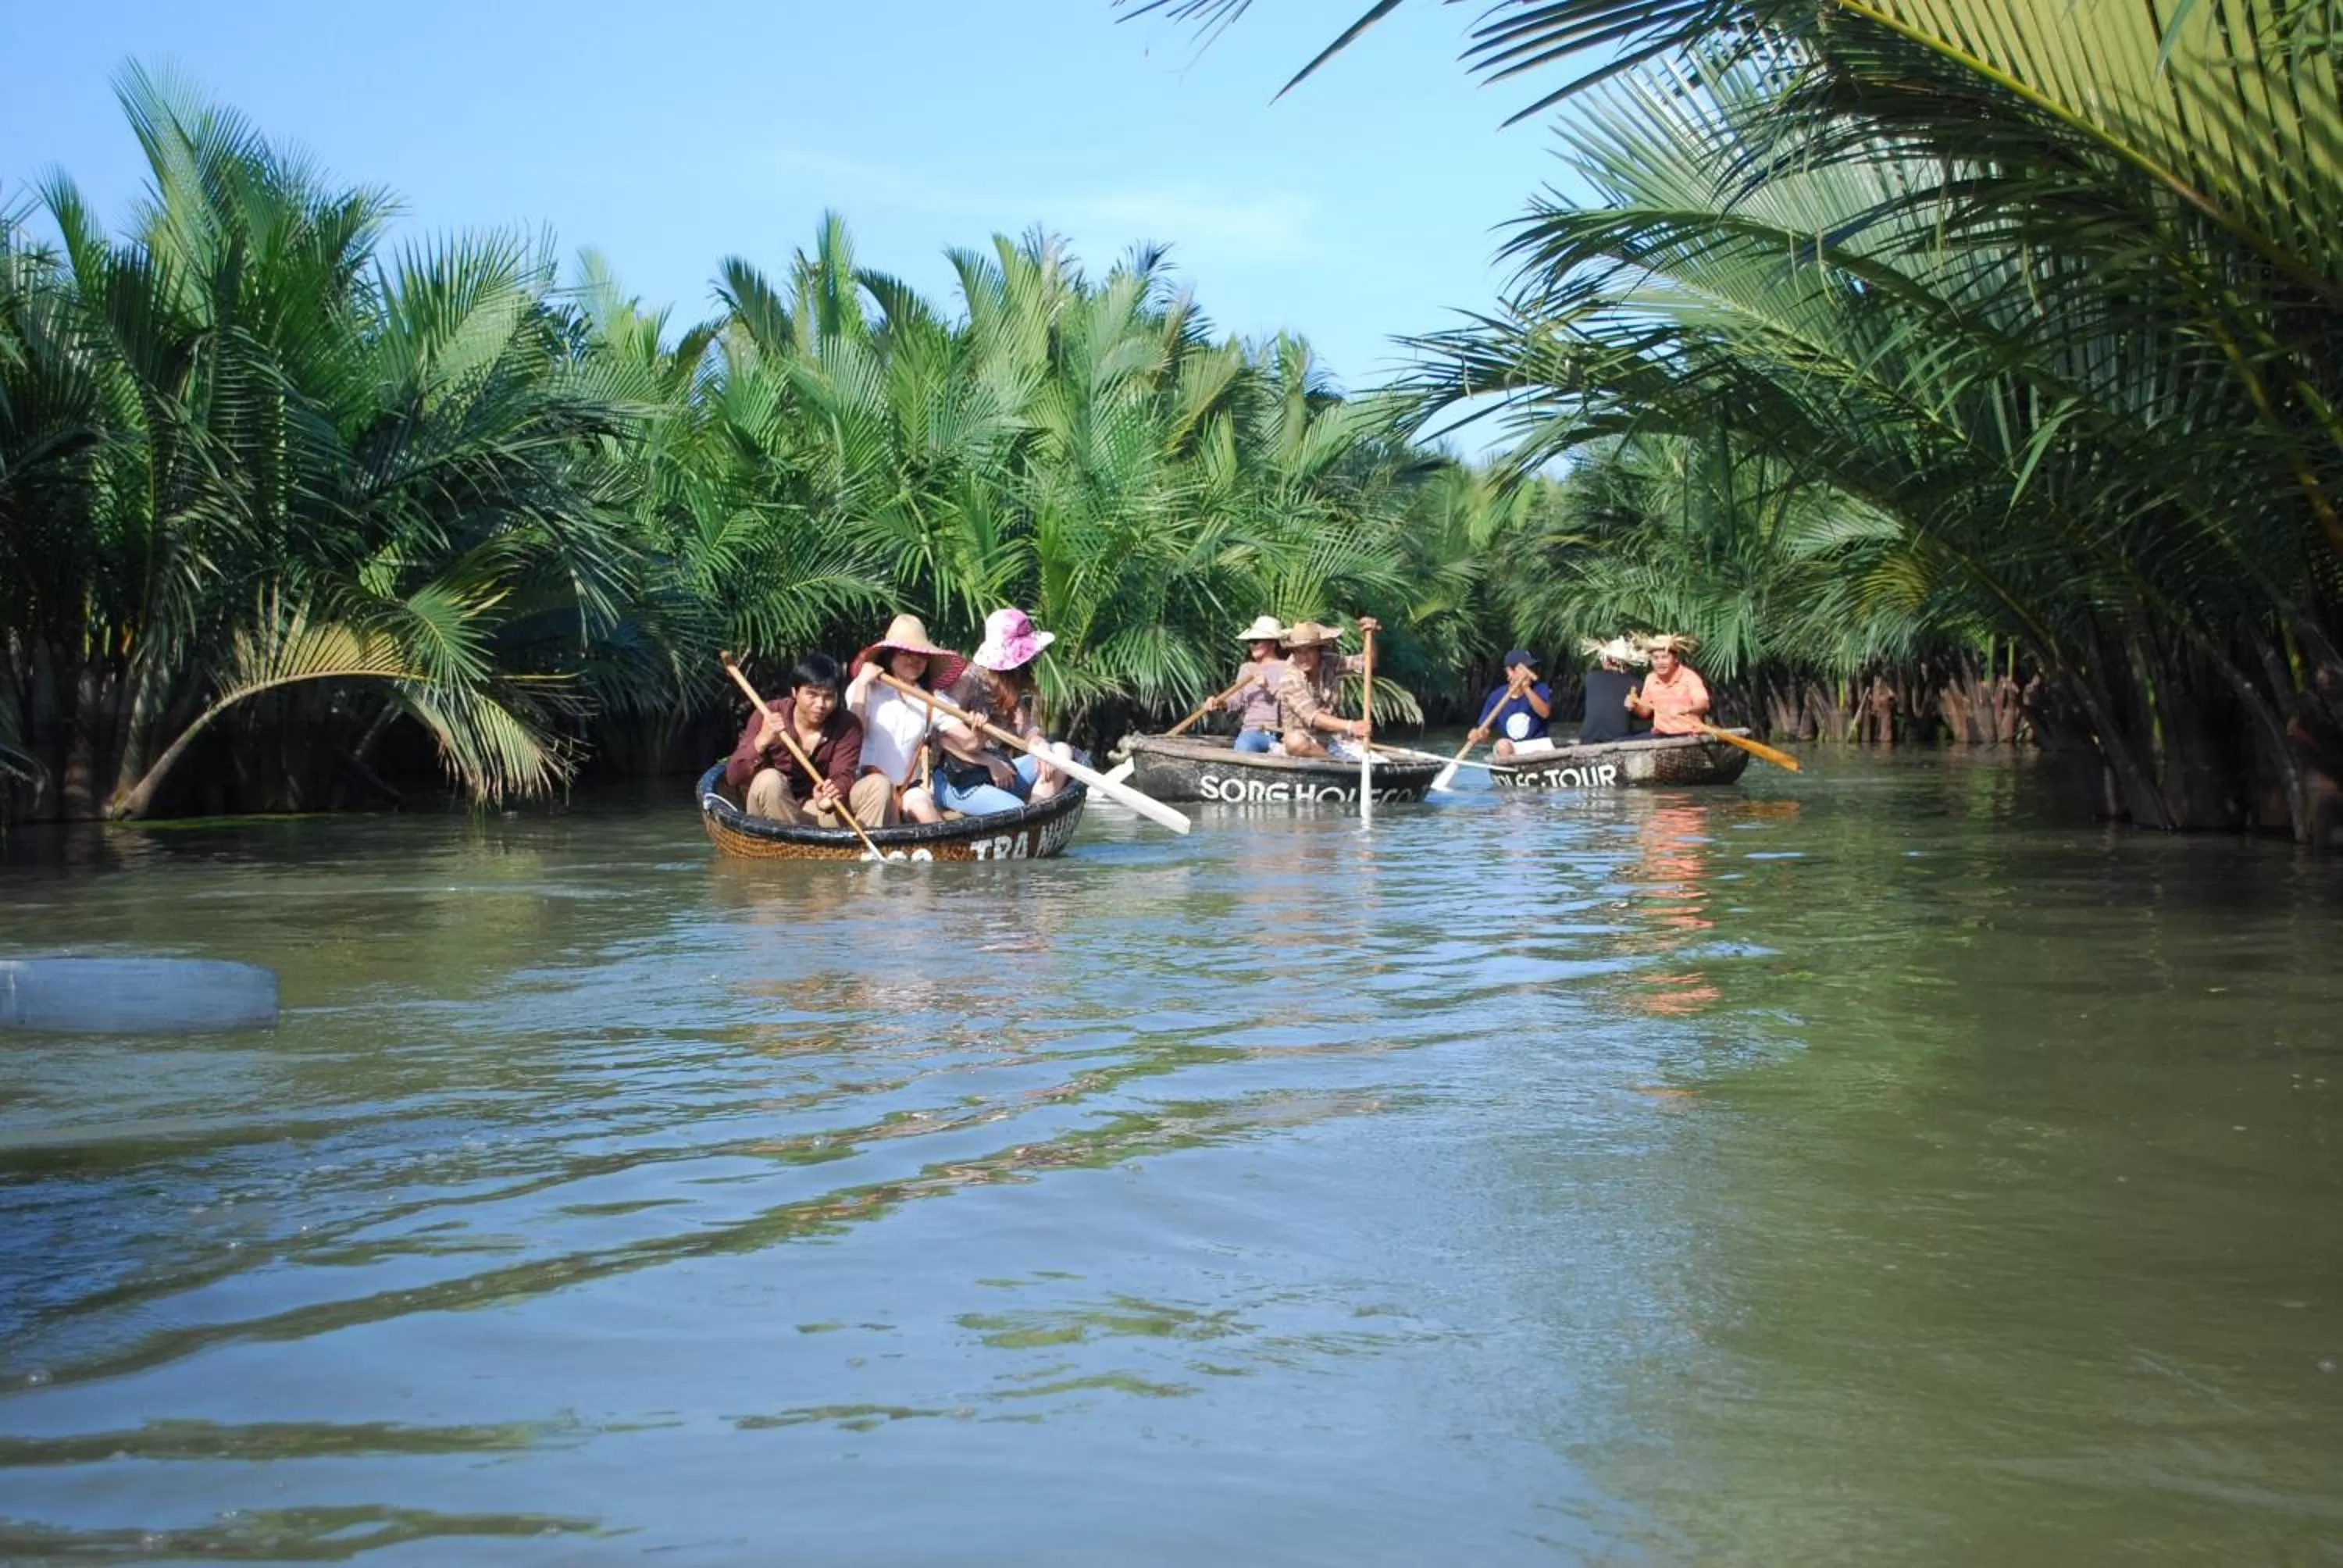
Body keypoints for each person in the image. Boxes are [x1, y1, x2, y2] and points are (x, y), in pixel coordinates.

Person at [932, 607, 1073, 817]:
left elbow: (1028, 732)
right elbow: (941, 739)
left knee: (1060, 752)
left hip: (997, 771)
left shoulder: (1009, 685)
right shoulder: (968, 681)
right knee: (1016, 811)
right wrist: (988, 762)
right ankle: (1026, 818)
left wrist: (1041, 747)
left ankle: (1035, 814)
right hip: (960, 781)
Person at [726, 654, 893, 828]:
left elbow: (844, 774)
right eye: (812, 695)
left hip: (817, 810)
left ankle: (863, 851)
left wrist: (832, 793)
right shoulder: (768, 714)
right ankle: (788, 847)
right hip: (774, 807)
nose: (820, 704)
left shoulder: (848, 725)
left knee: (879, 785)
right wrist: (762, 740)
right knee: (769, 780)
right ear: (794, 692)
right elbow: (733, 777)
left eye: (829, 697)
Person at [845, 613, 965, 825]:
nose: (914, 660)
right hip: (866, 784)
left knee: (924, 809)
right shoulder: (864, 688)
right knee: (882, 797)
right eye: (905, 653)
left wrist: (978, 725)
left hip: (909, 787)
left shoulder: (933, 699)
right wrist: (863, 684)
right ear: (890, 655)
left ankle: (946, 854)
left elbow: (970, 741)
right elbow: (853, 733)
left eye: (921, 655)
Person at [1275, 618, 1378, 757]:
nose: (1303, 657)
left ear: (1319, 650)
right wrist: (1351, 726)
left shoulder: (1329, 662)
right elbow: (1314, 717)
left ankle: (1343, 763)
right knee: (1295, 741)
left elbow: (1367, 663)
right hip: (1306, 744)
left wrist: (1369, 636)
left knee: (1374, 759)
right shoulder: (1290, 679)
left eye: (1309, 650)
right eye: (1298, 652)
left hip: (1332, 740)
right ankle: (1335, 764)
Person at [1201, 615, 1291, 753]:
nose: (1251, 645)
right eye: (1250, 641)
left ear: (1273, 643)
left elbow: (1293, 701)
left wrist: (1267, 686)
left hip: (1280, 734)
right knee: (1245, 745)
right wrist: (1219, 703)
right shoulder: (1247, 669)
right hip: (1252, 732)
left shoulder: (1286, 667)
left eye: (1256, 641)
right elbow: (1237, 701)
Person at [1467, 649, 1554, 758]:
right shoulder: (1496, 697)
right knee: (1502, 745)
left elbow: (1545, 713)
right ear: (1510, 671)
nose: (1530, 671)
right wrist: (1478, 734)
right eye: (1525, 668)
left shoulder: (1540, 688)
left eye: (1531, 668)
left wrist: (1526, 688)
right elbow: (1485, 732)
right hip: (1514, 749)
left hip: (1538, 745)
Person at [1626, 633, 1713, 736]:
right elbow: (1645, 712)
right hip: (1661, 734)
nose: (1660, 662)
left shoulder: (1690, 677)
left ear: (1675, 659)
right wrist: (1634, 705)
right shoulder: (1651, 678)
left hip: (1688, 734)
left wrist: (1686, 710)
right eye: (1656, 658)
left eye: (1664, 657)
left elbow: (1703, 704)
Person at [1576, 636, 1648, 745]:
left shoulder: (1591, 677)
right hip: (1618, 738)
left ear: (1607, 660)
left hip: (1587, 738)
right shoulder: (1636, 683)